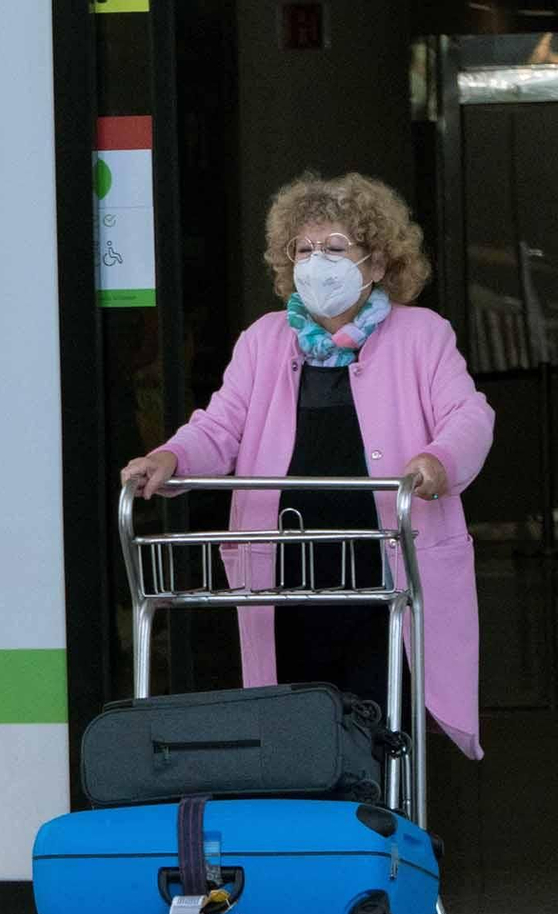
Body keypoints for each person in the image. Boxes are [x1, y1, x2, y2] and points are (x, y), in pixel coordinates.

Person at [120, 172, 494, 760]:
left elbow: (469, 415)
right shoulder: (264, 340)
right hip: (285, 575)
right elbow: (220, 427)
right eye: (305, 249)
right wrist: (169, 457)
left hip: (384, 576)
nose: (317, 262)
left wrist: (438, 461)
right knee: (293, 736)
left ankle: (376, 842)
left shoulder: (422, 335)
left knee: (380, 732)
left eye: (336, 248)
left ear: (376, 264)